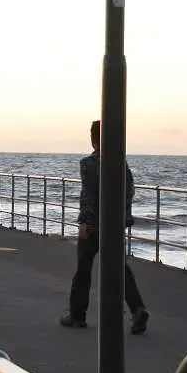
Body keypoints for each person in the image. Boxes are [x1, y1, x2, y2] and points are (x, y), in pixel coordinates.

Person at [60, 120, 149, 334]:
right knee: (121, 270)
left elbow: (88, 195)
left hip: (93, 226)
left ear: (93, 139)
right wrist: (124, 219)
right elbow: (128, 194)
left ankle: (77, 315)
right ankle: (138, 309)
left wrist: (84, 221)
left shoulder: (89, 164)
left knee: (84, 270)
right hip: (114, 225)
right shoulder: (122, 165)